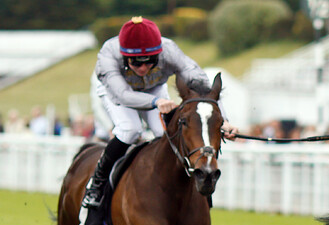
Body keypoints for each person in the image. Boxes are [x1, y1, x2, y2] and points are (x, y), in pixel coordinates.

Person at [82, 16, 237, 210]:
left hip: (154, 88)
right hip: (116, 91)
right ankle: (97, 183)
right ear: (125, 56)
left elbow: (203, 85)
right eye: (136, 63)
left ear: (159, 54)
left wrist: (225, 121)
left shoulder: (169, 50)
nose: (144, 68)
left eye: (150, 62)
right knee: (131, 130)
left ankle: (188, 186)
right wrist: (155, 101)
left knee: (165, 135)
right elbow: (124, 95)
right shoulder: (109, 54)